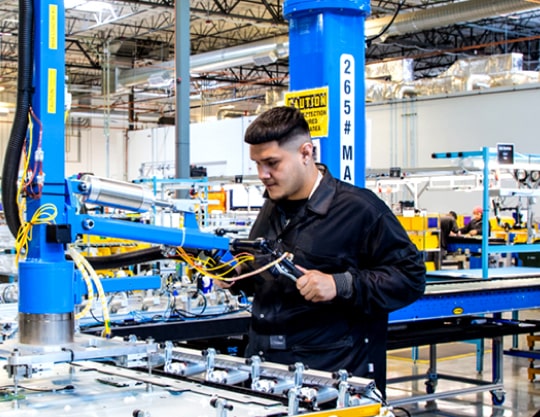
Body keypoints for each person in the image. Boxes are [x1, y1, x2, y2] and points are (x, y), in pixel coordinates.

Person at [218, 106, 426, 397]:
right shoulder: (271, 208)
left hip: (330, 380)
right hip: (267, 372)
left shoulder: (359, 209)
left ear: (306, 153)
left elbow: (411, 277)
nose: (262, 174)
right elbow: (270, 274)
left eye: (272, 163)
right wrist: (239, 275)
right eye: (257, 164)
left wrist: (339, 284)